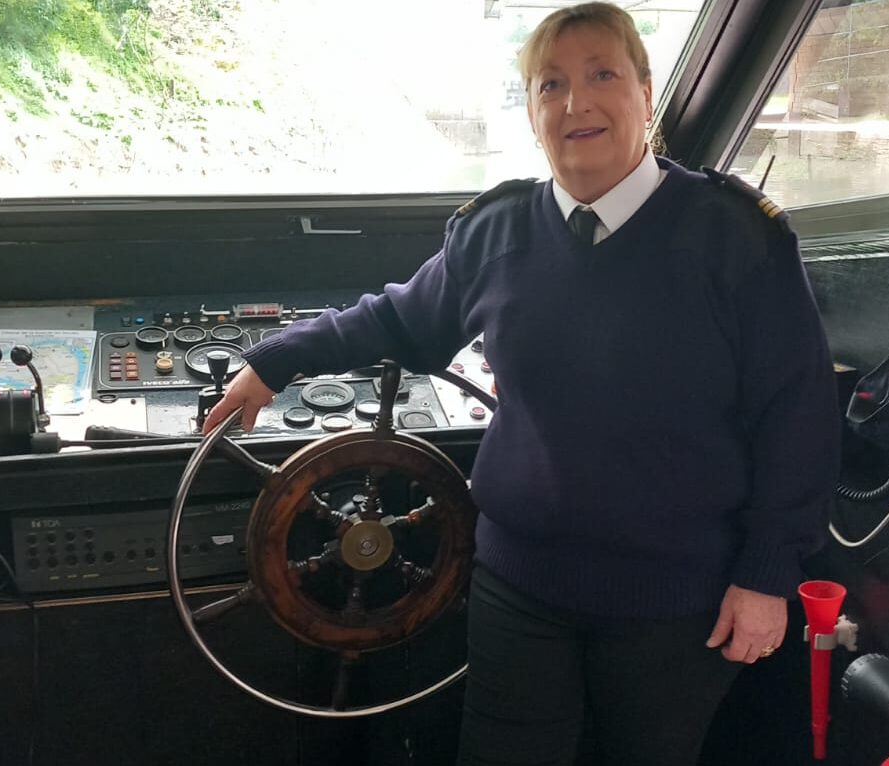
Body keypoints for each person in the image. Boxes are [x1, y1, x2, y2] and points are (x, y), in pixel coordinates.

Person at [204, 3, 839, 763]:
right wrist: (275, 361)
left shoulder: (735, 236)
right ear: (534, 113)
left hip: (676, 602)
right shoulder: (496, 232)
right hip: (521, 588)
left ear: (644, 91)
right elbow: (402, 321)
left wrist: (767, 575)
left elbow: (796, 415)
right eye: (550, 84)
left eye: (602, 74)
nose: (577, 103)